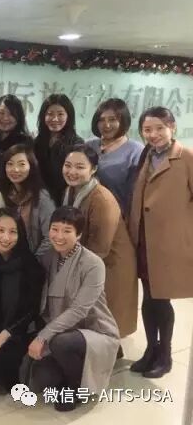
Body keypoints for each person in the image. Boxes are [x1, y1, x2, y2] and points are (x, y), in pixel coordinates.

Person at [20, 207, 120, 412]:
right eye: (55, 229)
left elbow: (79, 310)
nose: (59, 236)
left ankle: (75, 389)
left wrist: (42, 337)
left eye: (67, 231)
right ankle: (67, 373)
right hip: (59, 330)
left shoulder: (93, 264)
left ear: (79, 234)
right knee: (40, 380)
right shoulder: (48, 257)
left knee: (62, 343)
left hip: (93, 331)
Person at [128, 107, 193, 378]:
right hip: (144, 240)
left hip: (168, 243)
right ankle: (150, 349)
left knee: (162, 298)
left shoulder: (186, 156)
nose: (153, 134)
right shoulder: (147, 155)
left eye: (159, 128)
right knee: (149, 297)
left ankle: (164, 355)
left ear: (172, 127)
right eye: (147, 129)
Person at [62, 144, 138, 340]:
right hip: (88, 258)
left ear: (93, 169)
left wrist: (70, 269)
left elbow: (100, 247)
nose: (72, 171)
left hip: (111, 263)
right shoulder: (71, 190)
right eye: (68, 165)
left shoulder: (101, 199)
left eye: (80, 167)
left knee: (108, 322)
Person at [0, 208, 45, 391]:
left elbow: (32, 310)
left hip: (16, 333)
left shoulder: (31, 265)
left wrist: (4, 335)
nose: (5, 237)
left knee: (6, 377)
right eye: (0, 230)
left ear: (21, 234)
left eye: (13, 232)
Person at [0, 144, 55, 258]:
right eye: (10, 164)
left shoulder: (42, 198)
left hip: (30, 259)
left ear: (31, 166)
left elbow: (50, 238)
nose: (15, 169)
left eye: (21, 164)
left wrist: (33, 262)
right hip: (3, 257)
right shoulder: (3, 194)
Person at [85, 98, 144, 216]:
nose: (106, 125)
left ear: (123, 121)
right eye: (101, 120)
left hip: (118, 217)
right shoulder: (88, 146)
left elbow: (136, 195)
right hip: (84, 214)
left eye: (112, 120)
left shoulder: (136, 151)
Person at [33, 94, 83, 206]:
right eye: (50, 114)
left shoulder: (76, 143)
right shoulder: (37, 142)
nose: (55, 119)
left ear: (68, 116)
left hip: (65, 200)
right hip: (40, 199)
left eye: (60, 114)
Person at [0, 94, 33, 189]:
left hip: (12, 192)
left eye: (11, 114)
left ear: (18, 118)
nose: (5, 118)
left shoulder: (25, 142)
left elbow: (27, 171)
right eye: (1, 113)